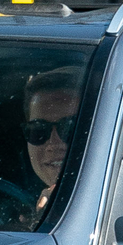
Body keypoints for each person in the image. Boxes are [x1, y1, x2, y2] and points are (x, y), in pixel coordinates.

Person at [21, 68, 83, 215]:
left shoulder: (118, 205)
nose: (53, 144)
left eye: (69, 128)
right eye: (38, 130)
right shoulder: (6, 210)